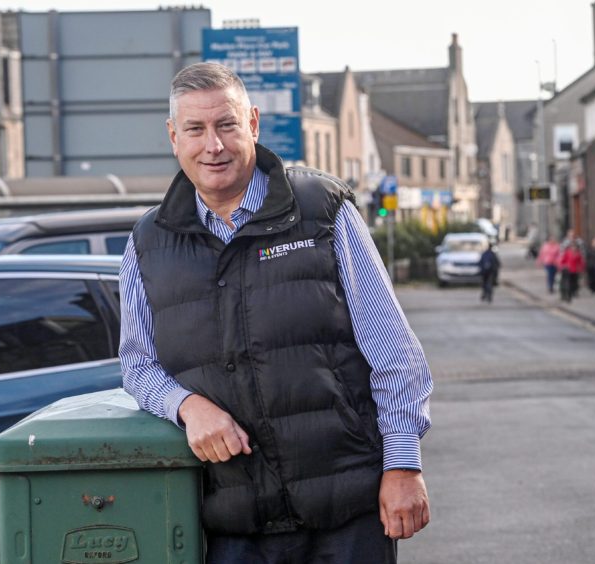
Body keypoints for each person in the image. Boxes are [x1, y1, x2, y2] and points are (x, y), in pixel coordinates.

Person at [120, 63, 432, 563]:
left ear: (254, 125)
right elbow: (138, 366)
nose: (213, 146)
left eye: (227, 125)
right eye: (196, 130)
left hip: (347, 513)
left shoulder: (321, 210)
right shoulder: (147, 243)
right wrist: (186, 405)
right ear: (173, 137)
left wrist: (402, 466)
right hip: (234, 522)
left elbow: (392, 349)